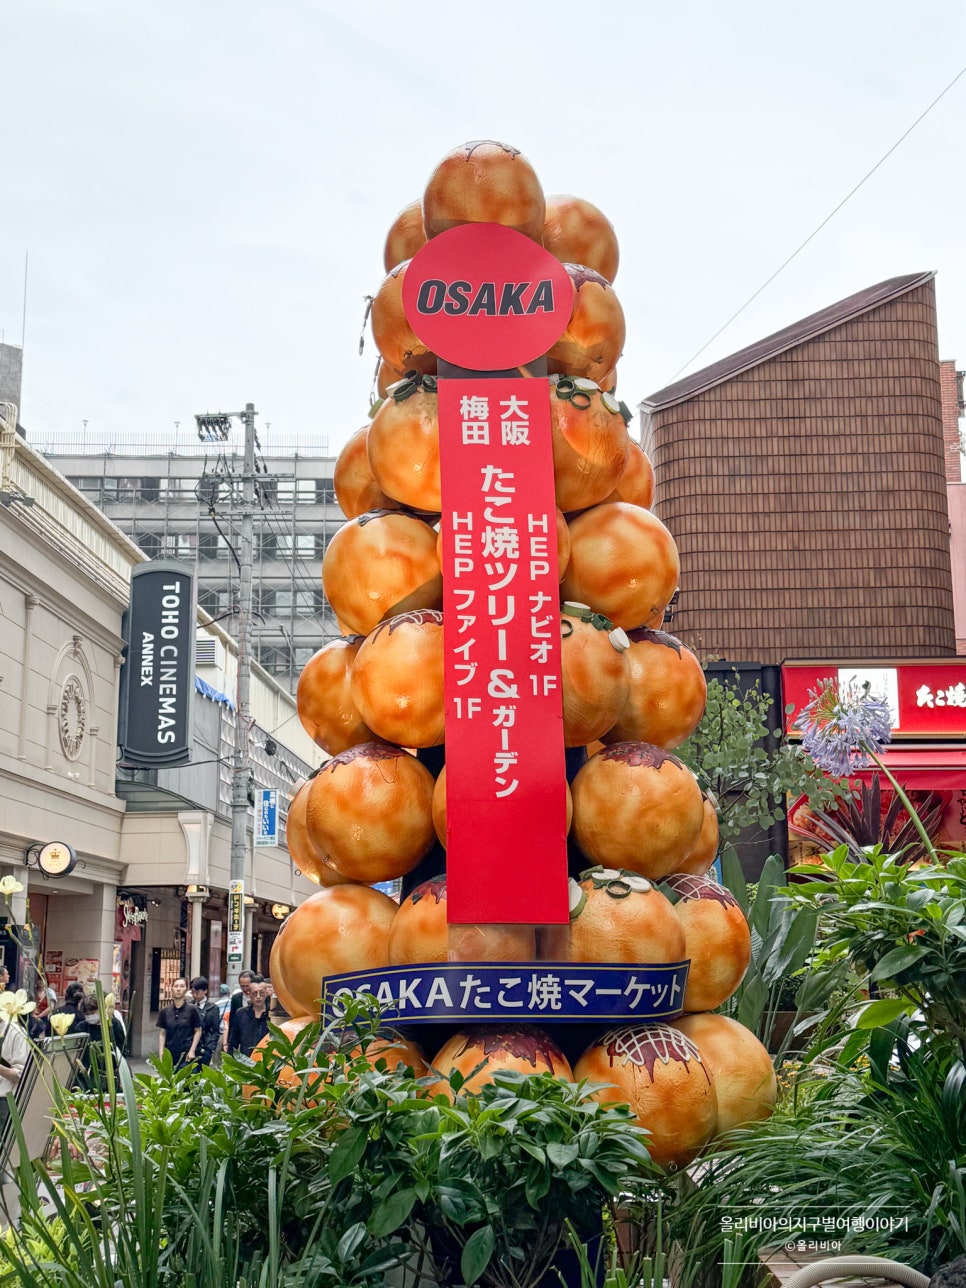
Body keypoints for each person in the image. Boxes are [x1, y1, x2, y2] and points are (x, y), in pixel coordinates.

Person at [76, 994, 125, 1091]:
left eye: (93, 1013)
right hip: (88, 1077)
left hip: (111, 1075)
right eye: (87, 1014)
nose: (90, 1017)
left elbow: (121, 1049)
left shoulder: (113, 1025)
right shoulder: (81, 1028)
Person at [156, 978, 202, 1069]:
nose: (178, 989)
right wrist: (161, 1053)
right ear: (172, 989)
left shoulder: (192, 1010)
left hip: (186, 1055)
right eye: (176, 986)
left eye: (182, 986)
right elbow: (162, 1033)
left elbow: (198, 1030)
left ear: (186, 989)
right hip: (170, 1053)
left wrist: (192, 1050)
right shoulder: (165, 1011)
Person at [227, 975, 270, 1058]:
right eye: (254, 993)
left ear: (266, 993)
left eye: (261, 993)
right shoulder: (241, 1014)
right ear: (249, 994)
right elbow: (233, 1042)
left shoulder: (272, 1014)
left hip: (267, 1059)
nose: (258, 997)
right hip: (246, 1060)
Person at [189, 977, 223, 1067]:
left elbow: (215, 1030)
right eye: (193, 992)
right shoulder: (189, 1006)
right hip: (190, 1045)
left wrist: (211, 1047)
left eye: (197, 992)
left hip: (205, 1046)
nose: (195, 995)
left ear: (205, 991)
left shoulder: (213, 1008)